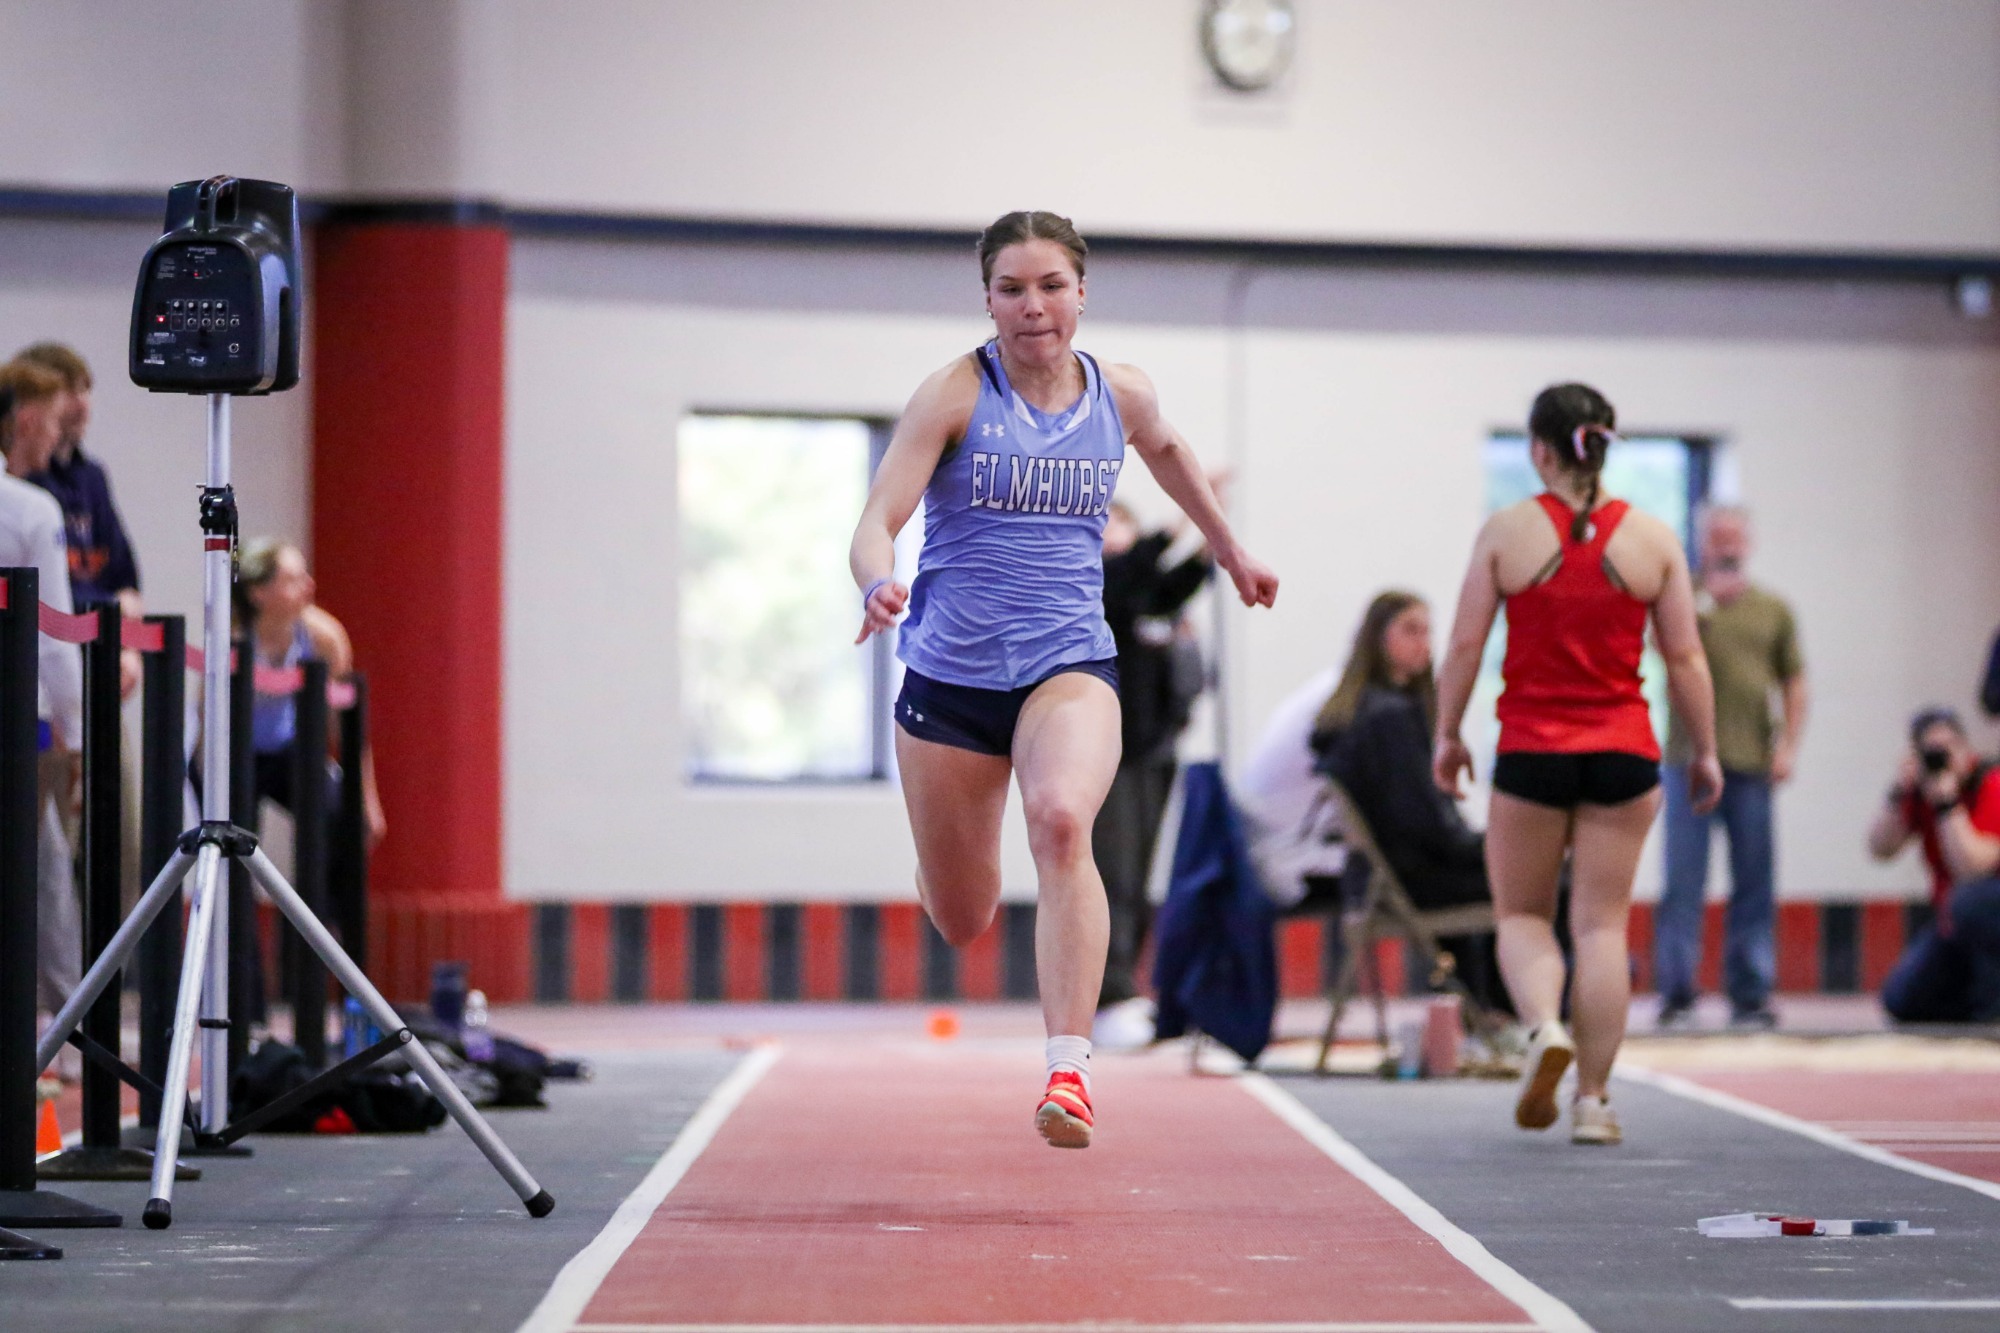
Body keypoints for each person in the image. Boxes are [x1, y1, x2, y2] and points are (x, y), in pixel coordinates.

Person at [850, 210, 1278, 1148]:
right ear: (988, 299)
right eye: (1012, 288)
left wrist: (1229, 549)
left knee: (1060, 819)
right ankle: (941, 860)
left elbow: (1167, 451)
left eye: (1051, 286)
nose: (1033, 307)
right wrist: (881, 583)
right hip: (951, 676)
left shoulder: (1118, 394)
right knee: (962, 915)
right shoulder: (955, 394)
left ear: (1083, 292)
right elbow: (878, 517)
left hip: (1069, 663)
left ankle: (1069, 1069)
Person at [1434, 382, 1720, 1147]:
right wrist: (1709, 751)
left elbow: (1464, 645)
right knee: (1600, 926)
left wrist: (1447, 732)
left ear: (1540, 450)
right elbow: (1685, 656)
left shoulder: (1507, 531)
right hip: (1624, 751)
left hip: (1533, 749)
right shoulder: (1654, 541)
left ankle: (1542, 1028)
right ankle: (1593, 1101)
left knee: (1524, 916)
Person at [1310, 590, 1507, 1016]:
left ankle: (1493, 1011)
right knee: (1540, 882)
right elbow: (1424, 826)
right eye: (1410, 630)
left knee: (1514, 870)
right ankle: (1523, 1014)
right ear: (1377, 639)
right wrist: (1490, 847)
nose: (1425, 644)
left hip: (1383, 878)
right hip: (1409, 879)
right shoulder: (1388, 718)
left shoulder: (1360, 711)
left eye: (1428, 632)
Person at [1656, 505, 1808, 1031]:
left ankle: (1750, 990)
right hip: (1687, 762)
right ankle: (1677, 990)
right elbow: (1657, 653)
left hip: (1751, 764)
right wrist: (1697, 608)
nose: (1725, 545)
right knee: (1682, 880)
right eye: (1716, 536)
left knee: (1754, 880)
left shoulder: (1773, 610)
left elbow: (1794, 681)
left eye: (1734, 536)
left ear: (1748, 542)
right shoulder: (1681, 601)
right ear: (1700, 542)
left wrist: (1788, 745)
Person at [16, 342, 147, 915]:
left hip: (97, 663)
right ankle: (52, 992)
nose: (83, 405)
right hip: (43, 673)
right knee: (48, 837)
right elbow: (52, 601)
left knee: (120, 825)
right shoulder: (25, 498)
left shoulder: (90, 479)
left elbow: (124, 579)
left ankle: (109, 973)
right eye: (70, 391)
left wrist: (126, 646)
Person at [1091, 500, 1213, 1051]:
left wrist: (1215, 543)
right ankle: (1106, 995)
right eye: (1109, 525)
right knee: (1112, 875)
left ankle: (1125, 989)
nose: (1121, 535)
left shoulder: (1142, 594)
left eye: (1126, 524)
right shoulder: (1095, 586)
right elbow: (1133, 571)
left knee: (1138, 879)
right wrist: (1185, 509)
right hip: (1104, 751)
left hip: (1152, 749)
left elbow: (1171, 588)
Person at [0, 360, 87, 1055]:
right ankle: (62, 1035)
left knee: (47, 869)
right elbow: (56, 636)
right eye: (55, 422)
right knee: (41, 877)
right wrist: (79, 728)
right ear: (24, 418)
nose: (58, 437)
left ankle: (63, 1029)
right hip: (17, 724)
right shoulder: (30, 508)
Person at [234, 539, 387, 849]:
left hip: (288, 752)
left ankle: (316, 899)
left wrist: (366, 799)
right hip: (236, 754)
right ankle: (236, 897)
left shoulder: (324, 638)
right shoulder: (233, 638)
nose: (309, 585)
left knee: (344, 817)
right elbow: (206, 723)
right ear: (258, 593)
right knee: (235, 839)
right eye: (294, 580)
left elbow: (344, 727)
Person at [1870, 707, 2000, 1022]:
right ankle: (1970, 1007)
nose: (1943, 759)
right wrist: (1898, 792)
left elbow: (1972, 868)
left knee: (1967, 902)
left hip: (1989, 917)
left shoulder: (1991, 783)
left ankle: (1990, 1011)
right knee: (1900, 998)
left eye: (1950, 748)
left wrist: (1948, 804)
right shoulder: (1921, 793)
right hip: (1955, 926)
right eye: (1933, 753)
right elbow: (1880, 848)